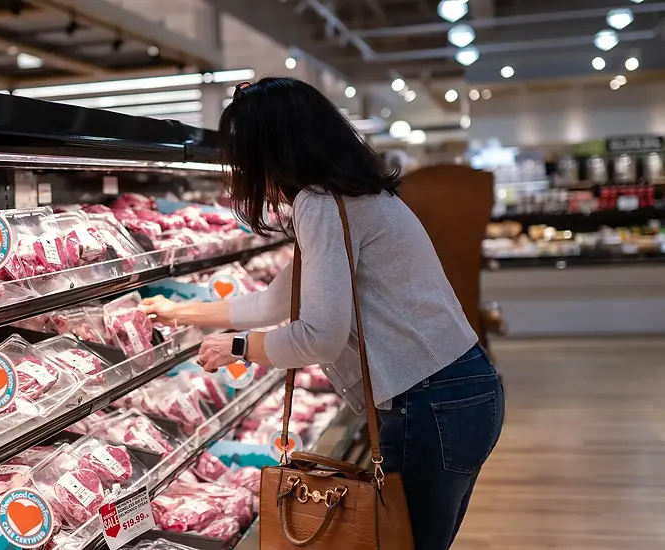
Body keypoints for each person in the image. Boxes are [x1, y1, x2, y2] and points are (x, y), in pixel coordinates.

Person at [140, 77, 504, 550]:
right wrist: (182, 312)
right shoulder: (351, 198)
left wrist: (236, 347)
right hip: (461, 392)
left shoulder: (319, 204)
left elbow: (320, 337)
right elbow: (276, 302)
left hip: (431, 404)